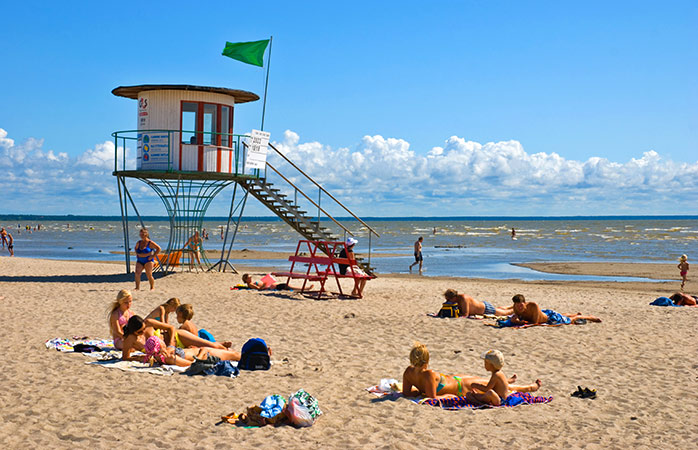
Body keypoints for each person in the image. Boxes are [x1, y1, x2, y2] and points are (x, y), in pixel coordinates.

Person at [401, 342, 534, 399]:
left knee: (488, 382)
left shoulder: (408, 372)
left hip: (455, 380)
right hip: (459, 386)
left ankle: (516, 384)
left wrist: (419, 391)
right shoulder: (428, 374)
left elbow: (407, 393)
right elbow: (433, 398)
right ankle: (524, 387)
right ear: (427, 360)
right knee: (491, 385)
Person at [120, 316, 241, 366]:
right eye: (140, 332)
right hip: (176, 351)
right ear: (133, 331)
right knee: (210, 350)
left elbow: (171, 328)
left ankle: (223, 346)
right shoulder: (130, 339)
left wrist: (171, 344)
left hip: (177, 337)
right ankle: (225, 349)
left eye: (143, 329)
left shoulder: (149, 323)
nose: (143, 332)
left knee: (212, 345)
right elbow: (125, 357)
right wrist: (140, 358)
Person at [466, 350, 542, 407]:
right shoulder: (499, 373)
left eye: (486, 363)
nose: (484, 365)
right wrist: (510, 380)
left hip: (500, 400)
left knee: (489, 393)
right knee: (469, 394)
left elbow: (487, 388)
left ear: (491, 365)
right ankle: (477, 398)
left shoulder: (496, 375)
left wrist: (476, 385)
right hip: (498, 398)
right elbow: (502, 383)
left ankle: (478, 400)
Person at [510, 294, 601, 325]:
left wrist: (519, 322)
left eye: (521, 305)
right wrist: (515, 318)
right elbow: (517, 315)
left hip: (550, 318)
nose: (519, 307)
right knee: (562, 315)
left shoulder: (533, 306)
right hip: (544, 313)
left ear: (525, 303)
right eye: (517, 305)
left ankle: (589, 317)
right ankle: (575, 313)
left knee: (569, 320)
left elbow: (535, 322)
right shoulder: (515, 307)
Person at [443, 289, 512, 317]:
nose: (447, 302)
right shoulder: (456, 301)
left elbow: (465, 314)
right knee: (500, 309)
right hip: (482, 306)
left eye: (448, 300)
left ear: (454, 297)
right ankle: (511, 306)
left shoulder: (464, 298)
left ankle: (516, 308)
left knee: (506, 313)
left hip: (486, 309)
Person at [241, 273, 313, 292]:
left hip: (273, 285)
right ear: (246, 279)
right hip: (273, 287)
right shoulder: (250, 284)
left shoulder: (251, 283)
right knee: (288, 286)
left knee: (288, 286)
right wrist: (265, 284)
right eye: (249, 277)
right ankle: (306, 288)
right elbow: (259, 289)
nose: (251, 278)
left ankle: (305, 288)